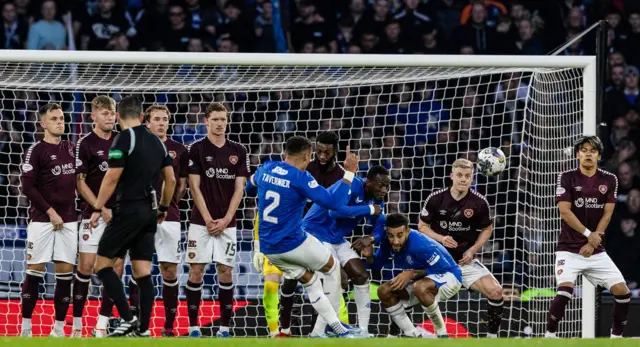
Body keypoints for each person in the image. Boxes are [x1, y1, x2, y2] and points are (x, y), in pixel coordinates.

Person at [246, 135, 359, 338]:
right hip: (293, 243)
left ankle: (325, 330)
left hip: (270, 250)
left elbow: (249, 187)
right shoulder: (301, 177)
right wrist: (349, 173)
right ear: (307, 155)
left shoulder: (266, 168)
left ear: (285, 153)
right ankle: (332, 328)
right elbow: (333, 202)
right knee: (332, 268)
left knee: (310, 280)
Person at [91, 95, 176, 337]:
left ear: (118, 117)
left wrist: (97, 208)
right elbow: (170, 179)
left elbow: (112, 177)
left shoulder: (124, 138)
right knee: (143, 272)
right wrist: (163, 207)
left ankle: (128, 319)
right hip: (150, 213)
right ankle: (145, 329)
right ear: (142, 117)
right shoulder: (158, 142)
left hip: (128, 210)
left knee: (102, 267)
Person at [547, 135, 630, 338]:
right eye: (584, 150)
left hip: (595, 250)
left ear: (599, 156)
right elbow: (565, 212)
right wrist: (588, 235)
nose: (588, 154)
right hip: (569, 248)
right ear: (577, 154)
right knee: (565, 290)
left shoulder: (609, 179)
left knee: (623, 293)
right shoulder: (566, 177)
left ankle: (616, 338)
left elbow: (607, 213)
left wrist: (593, 242)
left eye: (592, 151)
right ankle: (549, 336)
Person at [417, 158, 504, 337]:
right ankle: (396, 334)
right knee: (412, 294)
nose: (463, 179)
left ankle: (492, 339)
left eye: (467, 176)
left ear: (472, 179)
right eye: (459, 175)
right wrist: (441, 238)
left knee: (496, 291)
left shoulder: (479, 202)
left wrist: (473, 250)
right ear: (452, 176)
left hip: (464, 262)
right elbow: (422, 226)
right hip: (437, 262)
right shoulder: (436, 199)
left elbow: (488, 228)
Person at [184, 102, 249, 338]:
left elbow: (239, 189)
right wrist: (209, 218)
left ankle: (224, 327)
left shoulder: (239, 151)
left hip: (228, 224)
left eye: (223, 119)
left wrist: (226, 219)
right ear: (206, 121)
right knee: (196, 271)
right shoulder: (196, 149)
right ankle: (192, 326)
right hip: (200, 223)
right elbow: (194, 186)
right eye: (215, 119)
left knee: (226, 272)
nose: (220, 123)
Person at [303, 165, 390, 337]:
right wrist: (369, 209)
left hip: (336, 238)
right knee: (338, 280)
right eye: (380, 185)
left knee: (361, 276)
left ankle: (363, 331)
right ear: (368, 182)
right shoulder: (353, 185)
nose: (384, 190)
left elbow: (381, 225)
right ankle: (318, 332)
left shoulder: (377, 199)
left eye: (387, 186)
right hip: (314, 233)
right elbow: (334, 211)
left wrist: (370, 239)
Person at [20, 103, 77, 337]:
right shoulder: (36, 150)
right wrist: (50, 211)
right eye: (54, 119)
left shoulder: (72, 148)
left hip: (70, 221)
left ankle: (59, 329)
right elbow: (27, 187)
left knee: (65, 274)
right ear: (43, 124)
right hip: (42, 220)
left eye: (62, 118)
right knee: (35, 271)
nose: (60, 122)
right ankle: (25, 328)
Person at [360, 213, 462, 338]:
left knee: (420, 287)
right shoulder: (388, 242)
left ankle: (442, 334)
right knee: (384, 290)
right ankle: (413, 335)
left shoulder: (422, 245)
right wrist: (370, 256)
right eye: (391, 236)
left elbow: (441, 269)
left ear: (407, 231)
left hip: (450, 276)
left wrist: (411, 273)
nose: (395, 241)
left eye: (400, 235)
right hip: (419, 279)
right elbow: (376, 268)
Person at [73, 95, 125, 337]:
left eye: (112, 112)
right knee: (86, 267)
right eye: (104, 113)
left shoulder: (123, 141)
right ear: (93, 116)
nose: (109, 117)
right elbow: (80, 183)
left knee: (116, 269)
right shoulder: (85, 144)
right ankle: (76, 324)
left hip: (120, 216)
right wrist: (100, 208)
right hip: (93, 213)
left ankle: (101, 326)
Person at [144, 105, 189, 336]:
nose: (161, 123)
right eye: (157, 119)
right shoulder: (138, 146)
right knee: (139, 269)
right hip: (140, 215)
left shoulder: (179, 149)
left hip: (169, 216)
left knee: (169, 270)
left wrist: (169, 203)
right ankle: (138, 324)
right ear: (147, 122)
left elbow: (181, 185)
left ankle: (169, 325)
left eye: (164, 119)